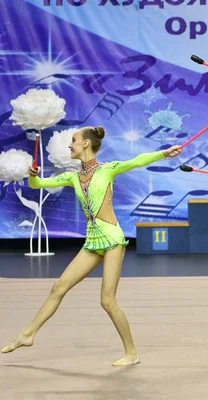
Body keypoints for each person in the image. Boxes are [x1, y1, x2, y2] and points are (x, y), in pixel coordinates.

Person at [1, 126, 182, 366]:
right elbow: (37, 185)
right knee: (58, 287)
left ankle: (131, 353)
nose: (70, 145)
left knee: (107, 300)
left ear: (86, 144)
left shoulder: (108, 169)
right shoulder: (72, 177)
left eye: (73, 141)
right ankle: (28, 334)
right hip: (92, 242)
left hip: (113, 239)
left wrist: (164, 153)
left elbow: (137, 160)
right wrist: (32, 174)